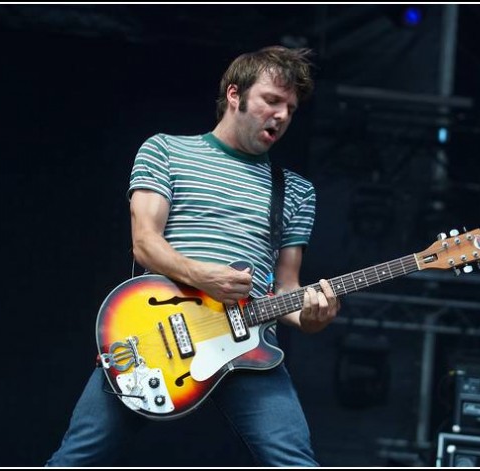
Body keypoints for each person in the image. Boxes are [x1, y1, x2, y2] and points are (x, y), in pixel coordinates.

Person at [47, 45, 340, 467]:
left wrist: (312, 317)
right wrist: (205, 278)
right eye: (272, 101)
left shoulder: (295, 190)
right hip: (158, 333)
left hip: (250, 345)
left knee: (294, 460)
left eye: (291, 108)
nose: (282, 116)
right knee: (77, 456)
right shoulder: (165, 150)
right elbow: (145, 243)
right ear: (235, 95)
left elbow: (287, 289)